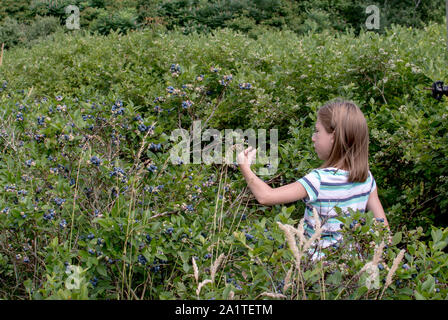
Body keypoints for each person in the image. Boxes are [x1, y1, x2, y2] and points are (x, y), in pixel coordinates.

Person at [237, 99, 389, 249]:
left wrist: (245, 167)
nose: (313, 137)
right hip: (351, 266)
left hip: (316, 269)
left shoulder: (319, 179)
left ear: (334, 137)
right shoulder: (366, 178)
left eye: (317, 131)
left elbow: (266, 196)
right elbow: (384, 230)